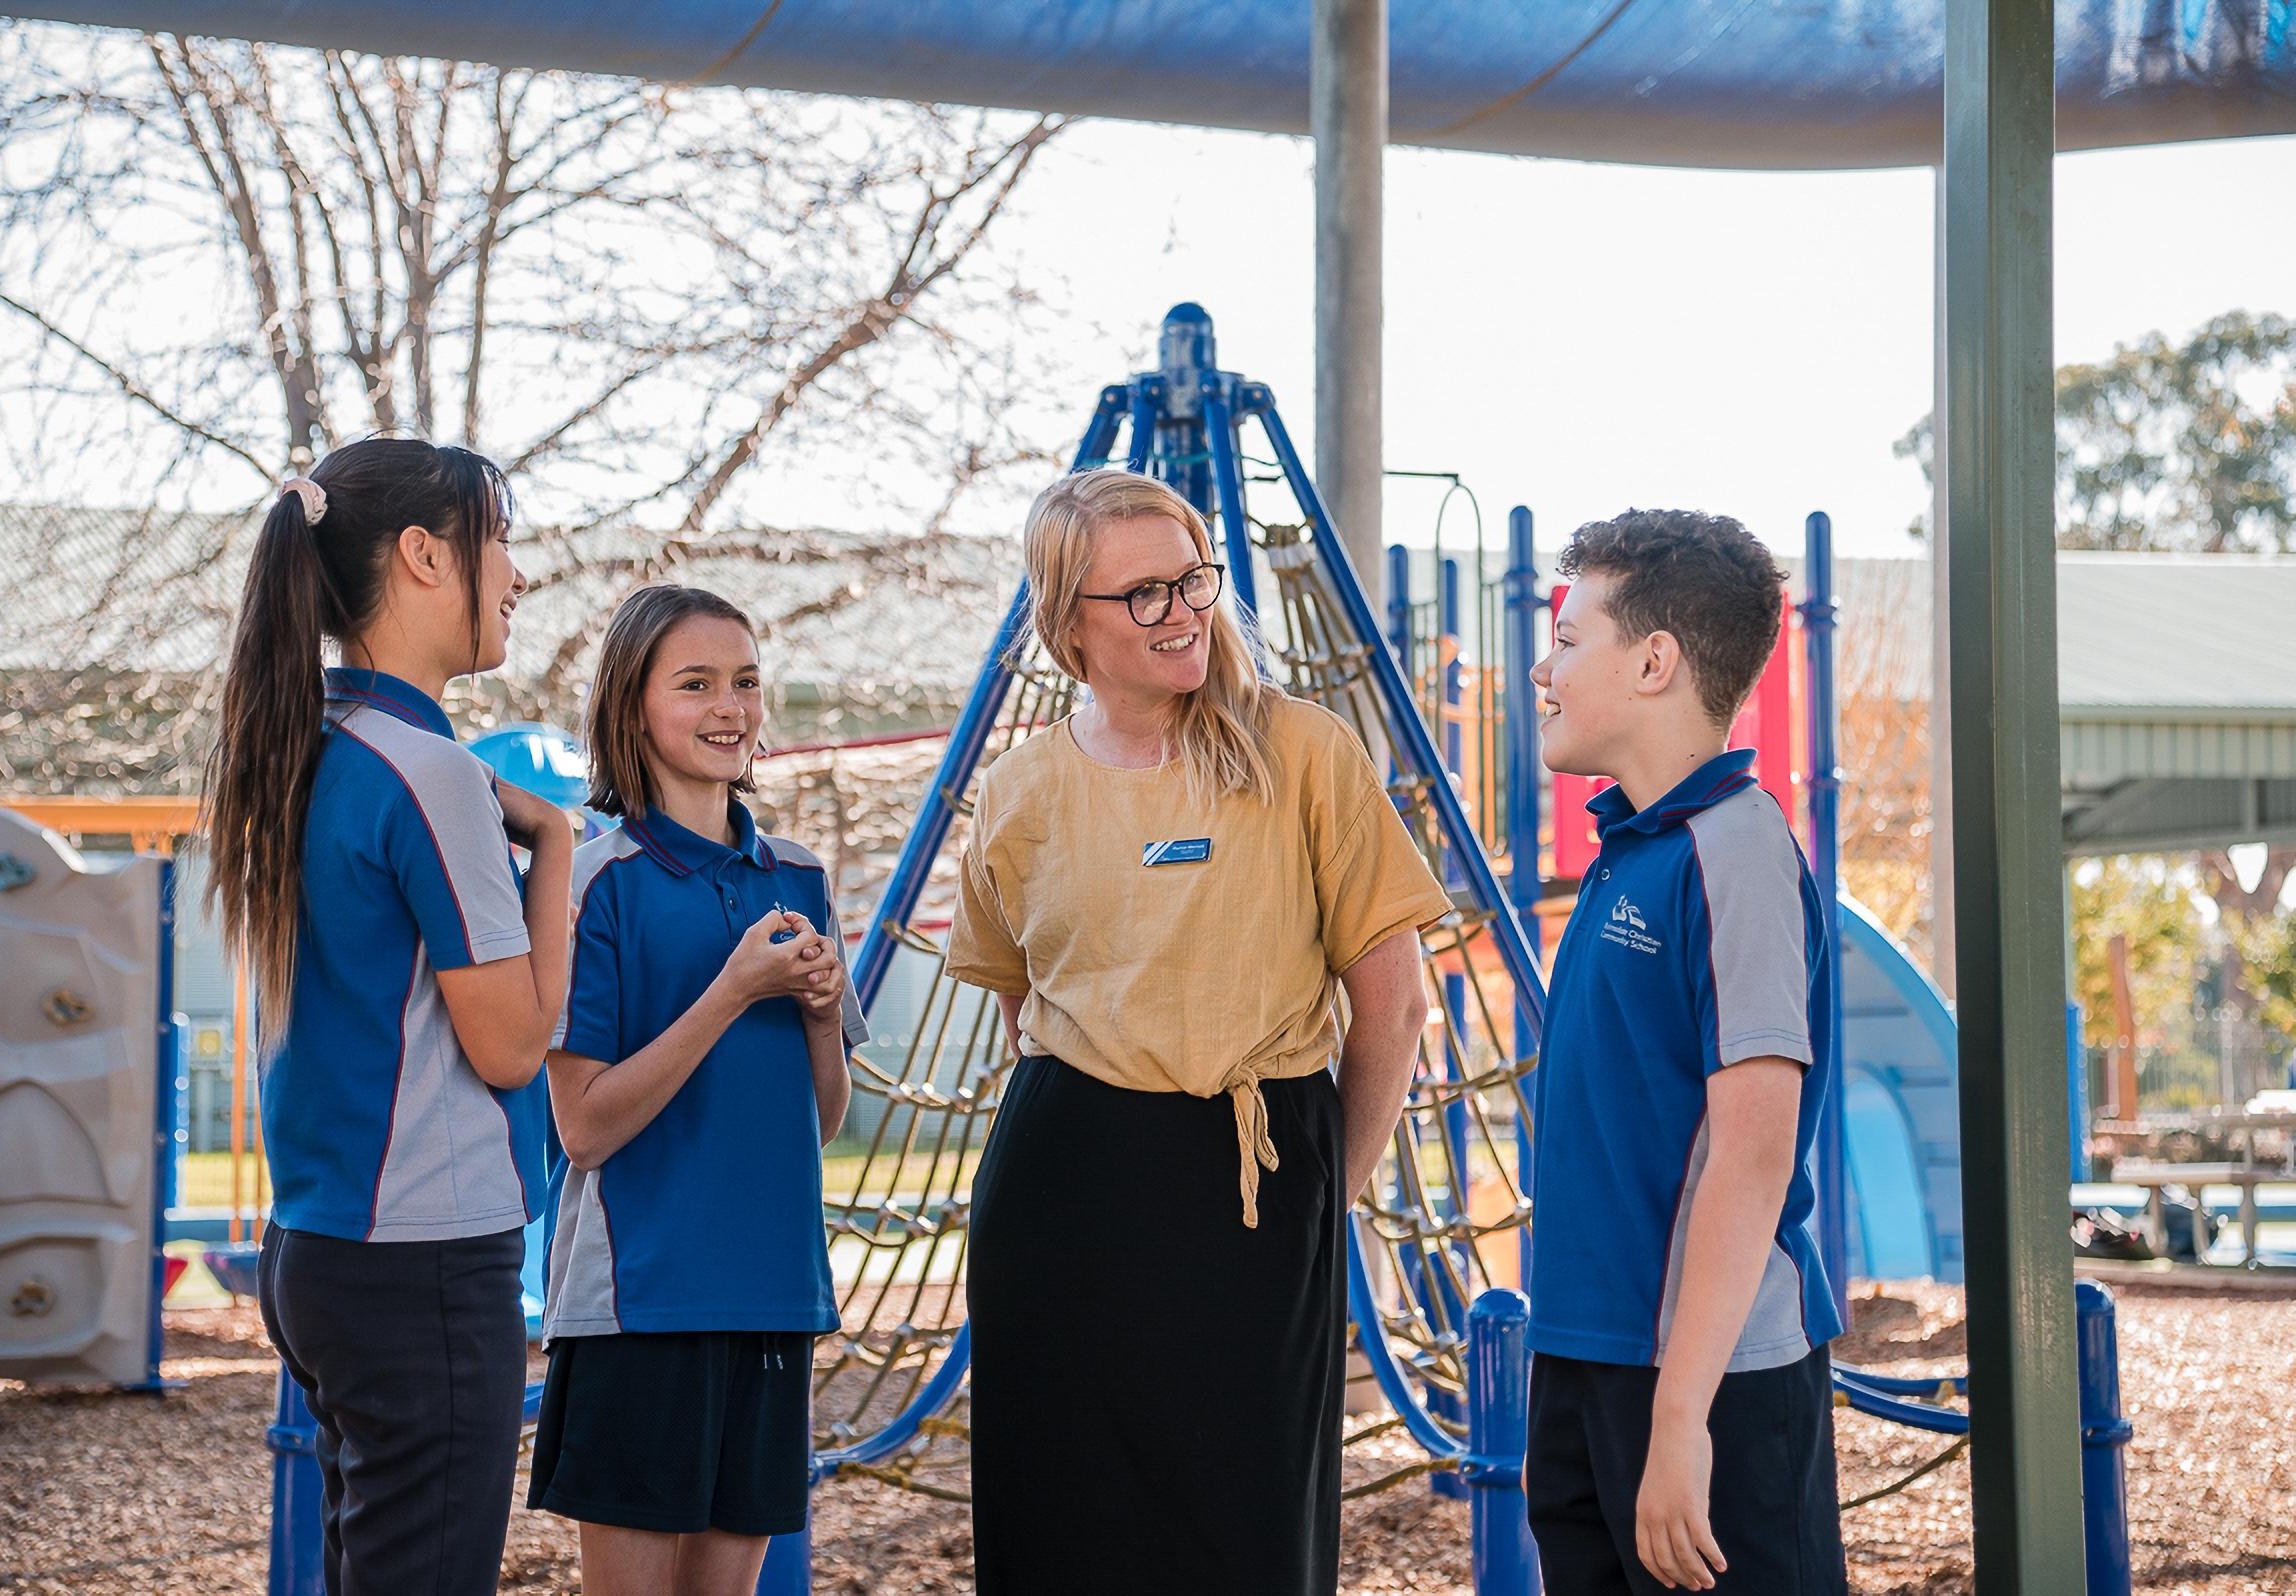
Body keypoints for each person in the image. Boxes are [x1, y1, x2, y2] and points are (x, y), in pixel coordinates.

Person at [945, 467, 1451, 1596]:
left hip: (1255, 1177)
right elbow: (1020, 1004)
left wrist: (1331, 1184)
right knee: (1063, 1517)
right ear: (1066, 622)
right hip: (1062, 1189)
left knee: (1248, 1530)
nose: (1183, 611)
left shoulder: (1305, 751)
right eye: (1143, 594)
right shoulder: (1019, 790)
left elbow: (1396, 1002)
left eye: (1193, 580)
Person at [200, 440, 573, 1595]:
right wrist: (555, 843)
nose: (517, 574)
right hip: (423, 1264)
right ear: (424, 556)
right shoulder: (429, 772)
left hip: (320, 1253)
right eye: (499, 540)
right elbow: (512, 1044)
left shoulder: (305, 743)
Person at [1523, 509, 1848, 1594]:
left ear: (1655, 661)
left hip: (1707, 1387)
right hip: (1588, 1353)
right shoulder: (1635, 850)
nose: (1543, 666)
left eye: (1569, 639)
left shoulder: (1736, 852)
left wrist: (1680, 1424)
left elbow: (1752, 1161)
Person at [528, 585, 867, 1596]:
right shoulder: (593, 882)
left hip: (774, 1293)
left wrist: (814, 1015)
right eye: (698, 684)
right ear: (632, 705)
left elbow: (825, 1121)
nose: (733, 708)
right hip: (642, 1304)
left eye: (748, 682)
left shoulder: (798, 877)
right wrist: (732, 992)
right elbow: (584, 1128)